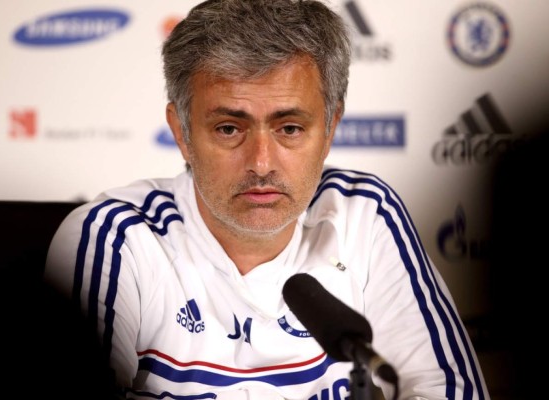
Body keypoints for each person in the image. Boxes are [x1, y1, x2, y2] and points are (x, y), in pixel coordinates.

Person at [45, 0, 489, 399]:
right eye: (229, 129)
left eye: (289, 128)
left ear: (330, 129)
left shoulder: (363, 212)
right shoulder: (115, 236)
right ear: (182, 132)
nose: (260, 162)